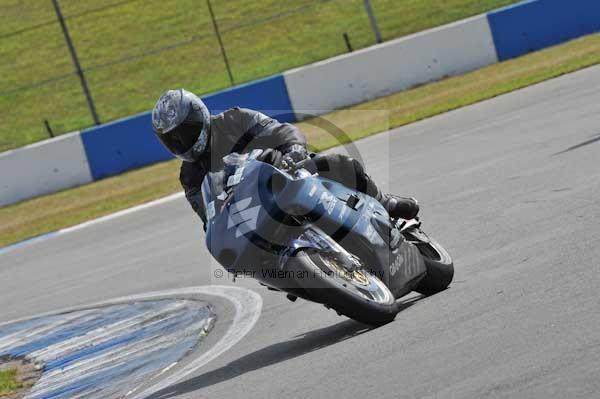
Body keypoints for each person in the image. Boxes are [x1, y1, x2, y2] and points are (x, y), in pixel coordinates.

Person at [152, 89, 419, 229]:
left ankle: (385, 203)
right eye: (173, 140)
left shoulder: (235, 119)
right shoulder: (190, 176)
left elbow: (280, 130)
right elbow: (208, 218)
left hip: (290, 174)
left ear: (200, 115)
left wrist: (293, 150)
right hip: (259, 215)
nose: (181, 143)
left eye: (185, 133)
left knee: (338, 163)